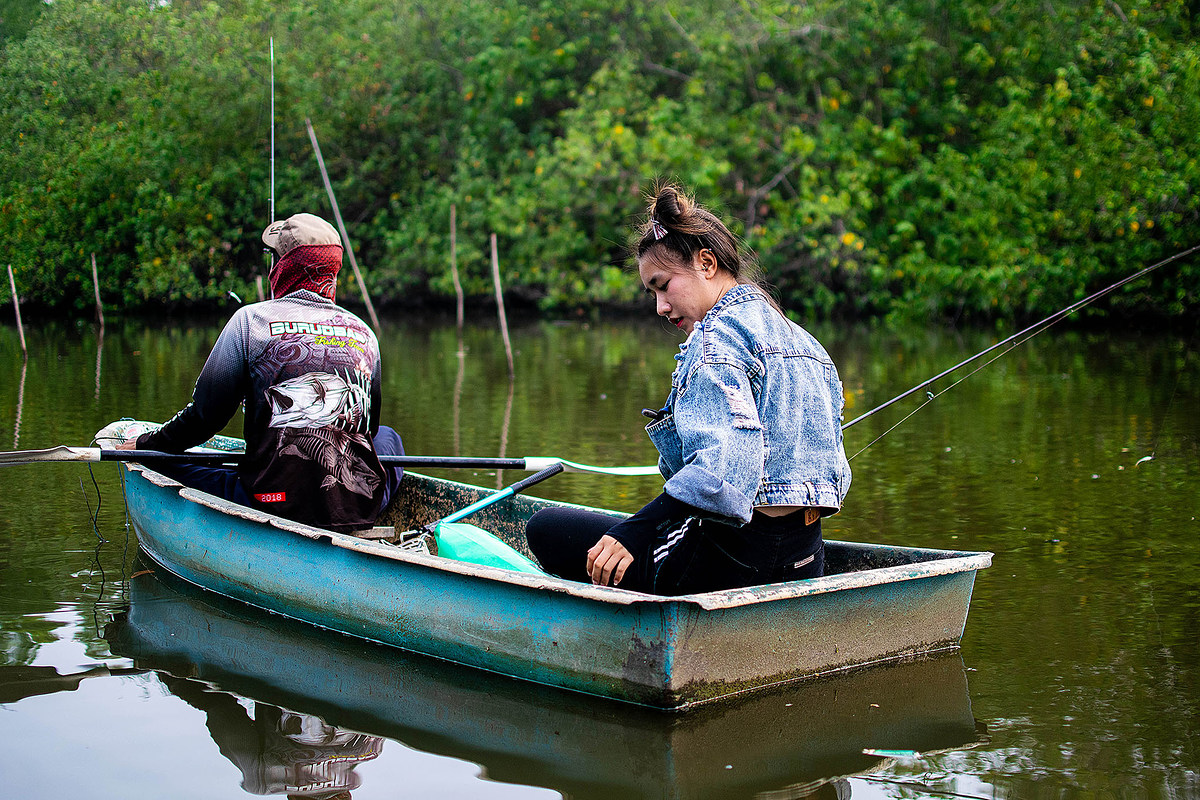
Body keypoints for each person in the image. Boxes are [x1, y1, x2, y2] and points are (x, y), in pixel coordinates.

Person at [526, 184, 852, 594]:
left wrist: (633, 531)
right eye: (652, 293)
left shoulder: (715, 339)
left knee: (547, 529)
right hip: (806, 557)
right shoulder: (806, 341)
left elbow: (722, 475)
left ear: (707, 263)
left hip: (729, 561)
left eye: (663, 286)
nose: (660, 307)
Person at [118, 212, 403, 533]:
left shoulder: (249, 322)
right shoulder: (364, 332)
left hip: (269, 501)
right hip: (354, 506)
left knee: (166, 459)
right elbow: (368, 426)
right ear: (333, 270)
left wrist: (145, 445)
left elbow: (202, 420)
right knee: (389, 437)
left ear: (282, 267)